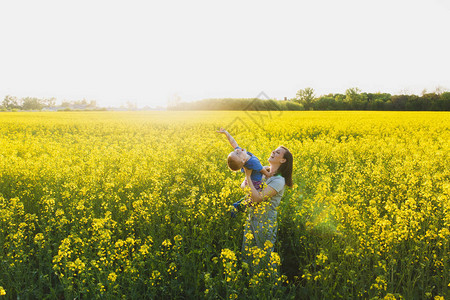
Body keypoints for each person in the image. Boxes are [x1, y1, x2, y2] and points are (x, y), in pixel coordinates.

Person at [241, 146, 293, 265]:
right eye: (274, 150)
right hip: (252, 217)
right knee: (247, 256)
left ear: (283, 160)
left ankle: (269, 282)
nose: (273, 152)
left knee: (264, 259)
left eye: (277, 152)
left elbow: (257, 198)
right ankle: (250, 282)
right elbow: (243, 187)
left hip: (265, 223)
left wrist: (249, 177)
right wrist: (249, 179)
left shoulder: (279, 181)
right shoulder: (263, 171)